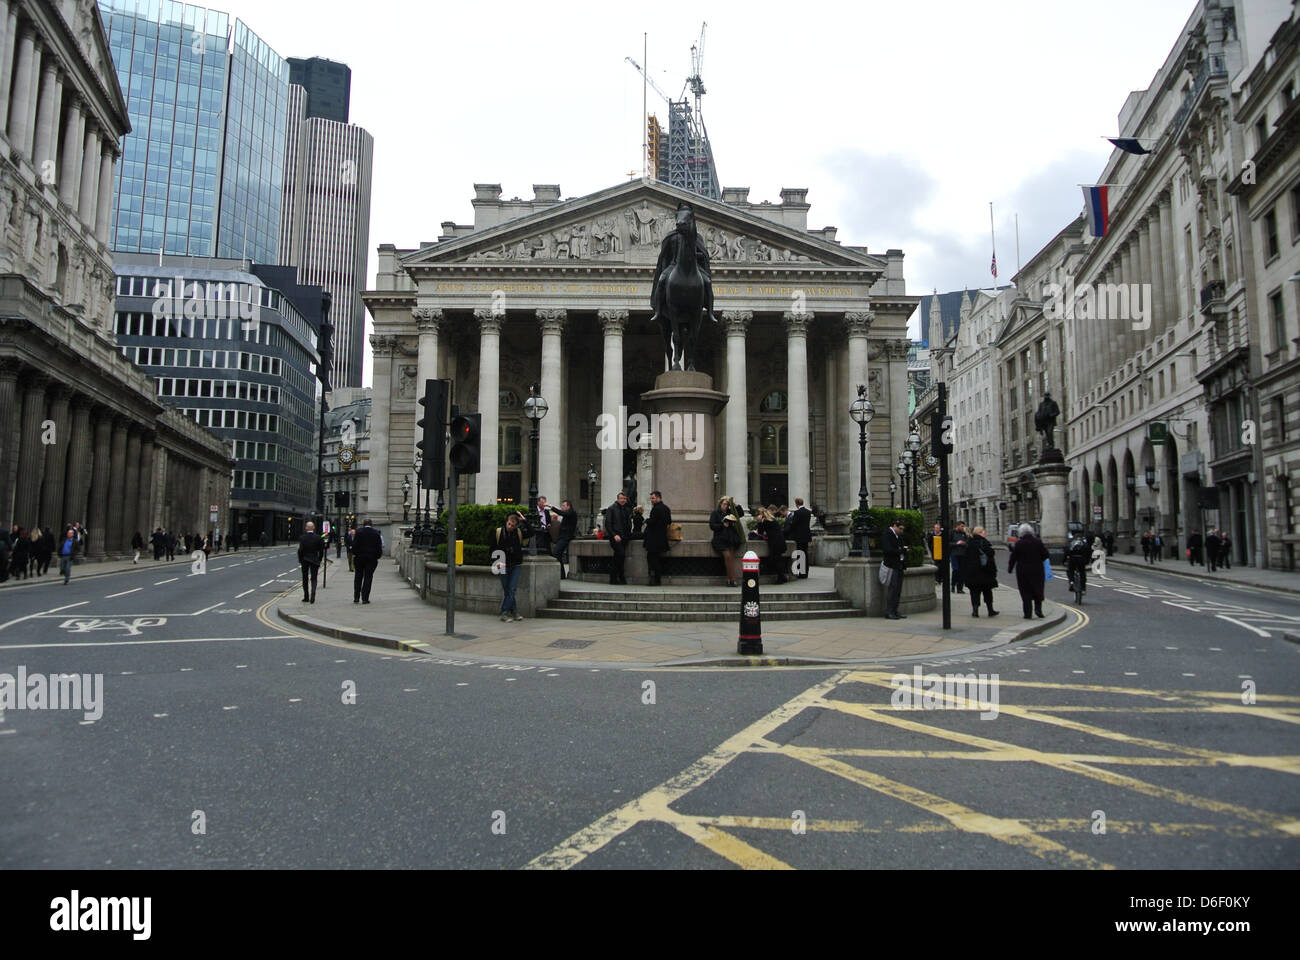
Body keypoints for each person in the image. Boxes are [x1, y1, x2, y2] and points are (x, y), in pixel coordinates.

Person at [1008, 523, 1050, 619]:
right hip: (1037, 570)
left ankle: (1028, 613)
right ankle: (1038, 610)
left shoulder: (1019, 543)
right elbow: (1046, 554)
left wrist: (1010, 568)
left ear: (1021, 533)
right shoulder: (1038, 542)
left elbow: (1013, 557)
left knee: (1025, 591)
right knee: (1037, 589)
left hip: (1023, 571)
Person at [493, 512, 529, 622]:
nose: (510, 527)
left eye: (513, 525)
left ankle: (504, 612)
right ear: (506, 522)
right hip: (502, 563)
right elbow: (493, 548)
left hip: (515, 564)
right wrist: (496, 561)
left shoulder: (518, 532)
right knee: (507, 589)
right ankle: (514, 611)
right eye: (509, 524)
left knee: (512, 589)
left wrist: (524, 521)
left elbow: (532, 533)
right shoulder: (498, 532)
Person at [960, 525, 999, 617]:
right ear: (980, 533)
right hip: (985, 571)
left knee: (974, 592)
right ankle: (990, 610)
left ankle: (975, 610)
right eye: (983, 531)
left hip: (972, 572)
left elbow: (966, 558)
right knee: (987, 592)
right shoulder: (984, 542)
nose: (985, 533)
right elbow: (990, 554)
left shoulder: (970, 543)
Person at [709, 495, 743, 587]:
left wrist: (735, 505)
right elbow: (712, 526)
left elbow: (740, 514)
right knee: (727, 557)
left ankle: (731, 579)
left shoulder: (730, 512)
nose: (725, 506)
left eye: (727, 504)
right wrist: (722, 525)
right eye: (724, 504)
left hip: (730, 539)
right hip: (720, 539)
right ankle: (731, 579)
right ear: (720, 504)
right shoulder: (715, 513)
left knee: (731, 558)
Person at [643, 491, 672, 586]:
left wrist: (647, 521)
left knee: (651, 559)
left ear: (659, 498)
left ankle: (654, 579)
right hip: (662, 537)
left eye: (653, 498)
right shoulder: (666, 508)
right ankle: (657, 579)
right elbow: (669, 521)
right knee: (657, 558)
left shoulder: (656, 509)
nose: (651, 500)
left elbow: (652, 521)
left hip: (653, 538)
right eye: (651, 498)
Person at [881, 518, 908, 619]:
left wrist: (903, 549)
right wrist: (901, 550)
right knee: (893, 589)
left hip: (899, 564)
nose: (901, 531)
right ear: (895, 526)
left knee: (898, 589)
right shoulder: (887, 534)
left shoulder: (898, 536)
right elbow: (887, 550)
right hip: (892, 565)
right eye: (900, 528)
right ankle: (889, 611)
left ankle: (895, 610)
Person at [352, 519, 383, 604]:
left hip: (359, 558)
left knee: (358, 576)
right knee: (368, 577)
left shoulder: (358, 532)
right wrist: (377, 556)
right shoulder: (376, 533)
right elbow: (379, 547)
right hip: (371, 558)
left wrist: (355, 554)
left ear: (363, 524)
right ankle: (365, 598)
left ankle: (356, 597)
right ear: (371, 524)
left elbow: (354, 545)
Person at [756, 507, 788, 584]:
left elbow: (760, 531)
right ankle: (782, 577)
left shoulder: (766, 521)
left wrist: (759, 522)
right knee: (778, 559)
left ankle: (781, 578)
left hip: (774, 543)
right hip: (779, 541)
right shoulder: (772, 519)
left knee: (775, 560)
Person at [605, 491, 631, 585]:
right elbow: (608, 524)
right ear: (617, 499)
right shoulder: (611, 508)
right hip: (615, 537)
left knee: (618, 557)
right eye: (621, 498)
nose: (623, 500)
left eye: (624, 499)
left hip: (624, 537)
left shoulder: (626, 509)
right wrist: (614, 534)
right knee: (621, 555)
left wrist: (628, 534)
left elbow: (628, 523)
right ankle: (618, 577)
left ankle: (616, 578)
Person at [784, 497, 813, 577]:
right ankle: (805, 572)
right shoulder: (808, 512)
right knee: (805, 553)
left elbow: (794, 524)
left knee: (800, 554)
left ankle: (801, 572)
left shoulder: (797, 513)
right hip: (806, 536)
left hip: (799, 536)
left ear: (796, 504)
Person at [297, 521, 325, 603]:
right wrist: (319, 560)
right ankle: (313, 594)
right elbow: (321, 551)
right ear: (313, 528)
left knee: (305, 578)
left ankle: (306, 596)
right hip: (314, 559)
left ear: (306, 528)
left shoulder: (302, 538)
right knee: (314, 578)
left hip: (305, 560)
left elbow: (300, 550)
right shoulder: (318, 538)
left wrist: (300, 560)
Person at [549, 500, 578, 578]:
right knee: (557, 553)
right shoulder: (568, 514)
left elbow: (562, 513)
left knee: (556, 552)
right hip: (563, 537)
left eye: (563, 506)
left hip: (566, 537)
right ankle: (561, 574)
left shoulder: (571, 513)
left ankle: (561, 574)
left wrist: (552, 507)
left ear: (568, 506)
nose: (562, 507)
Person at [1066, 532, 1091, 599]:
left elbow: (1067, 551)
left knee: (1070, 571)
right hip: (1081, 560)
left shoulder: (1071, 542)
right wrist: (1087, 561)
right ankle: (1083, 588)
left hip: (1072, 559)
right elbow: (1088, 552)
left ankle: (1071, 581)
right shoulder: (1083, 542)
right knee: (1082, 573)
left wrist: (1064, 561)